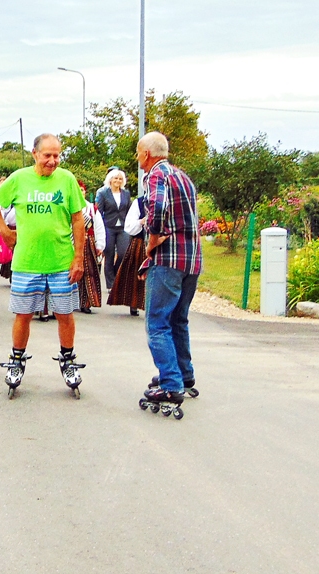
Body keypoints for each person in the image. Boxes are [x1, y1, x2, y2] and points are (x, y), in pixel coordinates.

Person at [0, 133, 88, 399]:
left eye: (57, 155)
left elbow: (78, 220)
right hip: (27, 262)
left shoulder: (66, 180)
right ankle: (17, 360)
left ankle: (68, 360)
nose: (53, 161)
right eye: (47, 155)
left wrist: (78, 258)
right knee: (24, 314)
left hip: (60, 261)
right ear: (35, 154)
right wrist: (5, 232)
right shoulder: (19, 178)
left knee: (65, 313)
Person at [136, 131, 202, 412]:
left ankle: (171, 384)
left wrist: (153, 238)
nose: (138, 159)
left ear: (148, 154)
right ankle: (184, 376)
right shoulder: (183, 176)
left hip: (169, 259)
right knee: (179, 320)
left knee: (157, 323)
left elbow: (158, 207)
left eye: (138, 153)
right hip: (192, 260)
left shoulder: (154, 175)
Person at [107, 193, 148, 316]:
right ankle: (134, 303)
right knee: (136, 273)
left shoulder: (166, 201)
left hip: (161, 243)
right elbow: (129, 226)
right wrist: (141, 221)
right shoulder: (139, 203)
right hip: (141, 242)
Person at [96, 168, 132, 292]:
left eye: (120, 178)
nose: (117, 180)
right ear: (110, 179)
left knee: (123, 253)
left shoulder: (126, 193)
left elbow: (129, 210)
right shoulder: (102, 193)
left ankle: (117, 277)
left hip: (123, 227)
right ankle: (111, 284)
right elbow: (99, 212)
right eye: (115, 178)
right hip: (108, 228)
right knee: (109, 256)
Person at [78, 197, 106, 313]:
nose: (81, 192)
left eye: (82, 190)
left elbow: (99, 227)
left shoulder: (92, 209)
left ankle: (87, 303)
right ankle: (74, 302)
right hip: (72, 242)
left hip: (89, 243)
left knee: (89, 272)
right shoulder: (69, 206)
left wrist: (100, 245)